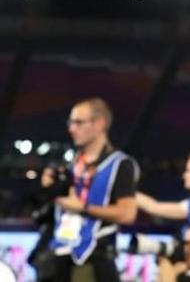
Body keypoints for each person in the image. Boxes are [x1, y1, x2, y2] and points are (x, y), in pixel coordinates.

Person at [41, 98, 139, 282]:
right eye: (70, 122)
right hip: (60, 255)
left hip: (94, 260)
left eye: (78, 122)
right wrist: (50, 188)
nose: (71, 129)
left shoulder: (121, 164)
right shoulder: (72, 164)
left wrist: (83, 207)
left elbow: (127, 213)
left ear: (99, 123)